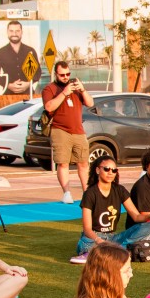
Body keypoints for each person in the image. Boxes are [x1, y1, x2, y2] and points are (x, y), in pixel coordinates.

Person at [70, 155, 150, 264]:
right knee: (85, 242)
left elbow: (136, 217)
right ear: (97, 170)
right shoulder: (90, 193)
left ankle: (118, 249)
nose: (110, 172)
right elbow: (87, 229)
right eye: (106, 169)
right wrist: (99, 240)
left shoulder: (120, 190)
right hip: (94, 237)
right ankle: (102, 252)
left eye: (114, 170)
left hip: (112, 238)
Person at [41, 61, 92, 203]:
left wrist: (82, 90)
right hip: (60, 130)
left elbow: (90, 103)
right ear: (56, 74)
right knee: (63, 163)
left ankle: (87, 193)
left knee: (83, 162)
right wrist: (64, 93)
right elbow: (49, 107)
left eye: (68, 74)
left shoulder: (76, 87)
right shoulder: (49, 89)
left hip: (78, 130)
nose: (65, 77)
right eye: (62, 75)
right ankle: (67, 193)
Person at [0, 19, 41, 96]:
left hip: (29, 94)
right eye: (11, 31)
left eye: (17, 31)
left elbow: (38, 72)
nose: (14, 34)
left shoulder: (30, 51)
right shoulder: (0, 52)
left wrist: (28, 83)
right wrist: (8, 85)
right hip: (8, 95)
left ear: (21, 32)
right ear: (7, 32)